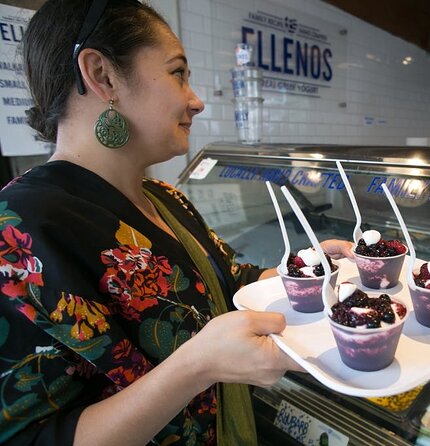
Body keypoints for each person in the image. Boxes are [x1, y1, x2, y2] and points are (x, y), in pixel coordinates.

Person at [0, 1, 353, 445]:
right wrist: (196, 367)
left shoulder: (165, 198)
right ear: (102, 75)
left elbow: (225, 283)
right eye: (178, 73)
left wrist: (307, 272)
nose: (196, 100)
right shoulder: (20, 229)